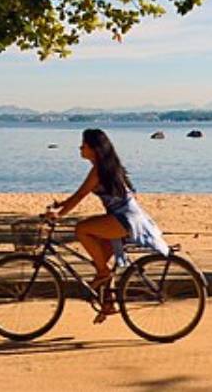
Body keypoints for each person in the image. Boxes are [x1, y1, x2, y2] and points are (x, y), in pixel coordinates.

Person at [45, 128, 169, 323]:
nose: (80, 148)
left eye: (83, 145)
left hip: (124, 219)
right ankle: (108, 303)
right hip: (130, 217)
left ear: (94, 149)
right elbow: (78, 194)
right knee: (101, 259)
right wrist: (61, 205)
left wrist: (59, 214)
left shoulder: (98, 171)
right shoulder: (107, 166)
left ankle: (103, 274)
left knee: (82, 229)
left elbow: (80, 196)